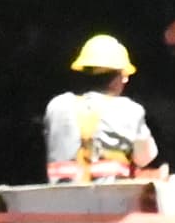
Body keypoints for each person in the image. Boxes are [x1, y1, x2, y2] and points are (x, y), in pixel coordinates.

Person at [43, 32, 161, 184]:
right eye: (124, 76)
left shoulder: (56, 106)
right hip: (111, 203)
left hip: (57, 202)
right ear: (116, 79)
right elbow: (145, 158)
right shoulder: (129, 110)